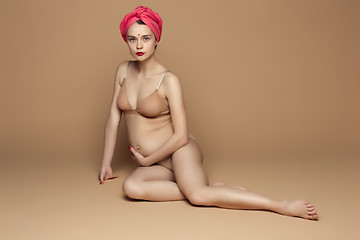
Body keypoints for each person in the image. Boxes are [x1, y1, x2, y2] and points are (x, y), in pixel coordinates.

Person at [98, 5, 318, 220]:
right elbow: (113, 118)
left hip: (179, 151)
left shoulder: (169, 81)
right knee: (131, 188)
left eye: (146, 38)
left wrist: (147, 161)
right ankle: (218, 190)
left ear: (157, 39)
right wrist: (106, 163)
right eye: (133, 38)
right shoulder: (123, 71)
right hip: (157, 164)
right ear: (126, 41)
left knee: (198, 196)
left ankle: (282, 205)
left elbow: (181, 136)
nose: (139, 45)